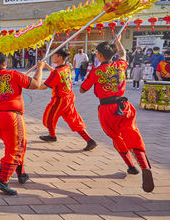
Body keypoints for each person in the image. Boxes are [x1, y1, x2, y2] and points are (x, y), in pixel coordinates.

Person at [80, 37, 154, 193]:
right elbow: (122, 53)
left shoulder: (96, 71)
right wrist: (118, 41)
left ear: (99, 55)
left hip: (107, 110)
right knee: (132, 135)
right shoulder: (120, 65)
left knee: (117, 138)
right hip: (123, 106)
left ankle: (131, 166)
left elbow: (82, 89)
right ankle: (145, 167)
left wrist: (93, 75)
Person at [0, 51, 45, 195]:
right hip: (10, 117)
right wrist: (40, 68)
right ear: (4, 63)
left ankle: (21, 174)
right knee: (16, 148)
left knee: (16, 144)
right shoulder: (13, 74)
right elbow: (35, 84)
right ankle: (3, 180)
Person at [37, 48, 97, 151]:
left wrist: (40, 69)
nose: (52, 57)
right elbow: (56, 72)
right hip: (69, 97)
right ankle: (90, 140)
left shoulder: (57, 72)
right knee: (73, 119)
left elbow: (42, 87)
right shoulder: (66, 67)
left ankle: (52, 136)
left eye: (54, 55)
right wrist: (46, 66)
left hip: (60, 99)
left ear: (60, 57)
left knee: (49, 117)